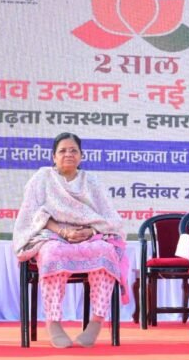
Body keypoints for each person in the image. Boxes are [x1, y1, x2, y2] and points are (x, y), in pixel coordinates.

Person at [13, 133, 130, 348]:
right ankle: (53, 322)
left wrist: (90, 230)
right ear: (53, 157)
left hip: (89, 234)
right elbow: (32, 215)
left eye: (73, 150)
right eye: (63, 151)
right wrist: (63, 231)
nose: (68, 154)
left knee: (105, 251)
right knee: (52, 253)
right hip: (53, 234)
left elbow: (109, 216)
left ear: (81, 156)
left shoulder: (91, 181)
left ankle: (95, 322)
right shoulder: (42, 178)